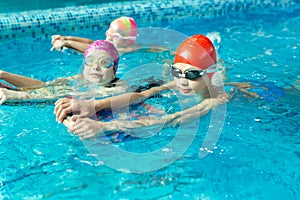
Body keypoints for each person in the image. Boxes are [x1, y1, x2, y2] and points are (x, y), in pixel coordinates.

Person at [54, 34, 230, 139]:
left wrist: (104, 127)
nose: (182, 81)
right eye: (177, 72)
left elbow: (171, 119)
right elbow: (141, 95)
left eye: (192, 75)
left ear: (208, 74)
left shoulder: (215, 100)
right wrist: (94, 105)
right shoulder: (178, 84)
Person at [0, 40, 125, 105]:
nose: (96, 67)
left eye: (104, 63)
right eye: (90, 61)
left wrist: (25, 96)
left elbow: (78, 96)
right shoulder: (80, 78)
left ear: (114, 70)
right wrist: (4, 75)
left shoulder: (121, 86)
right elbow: (44, 86)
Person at [51, 16, 138, 54]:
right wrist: (66, 38)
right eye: (108, 34)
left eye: (115, 36)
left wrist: (68, 43)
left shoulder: (125, 50)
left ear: (128, 41)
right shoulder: (115, 44)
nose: (109, 38)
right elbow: (94, 43)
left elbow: (96, 49)